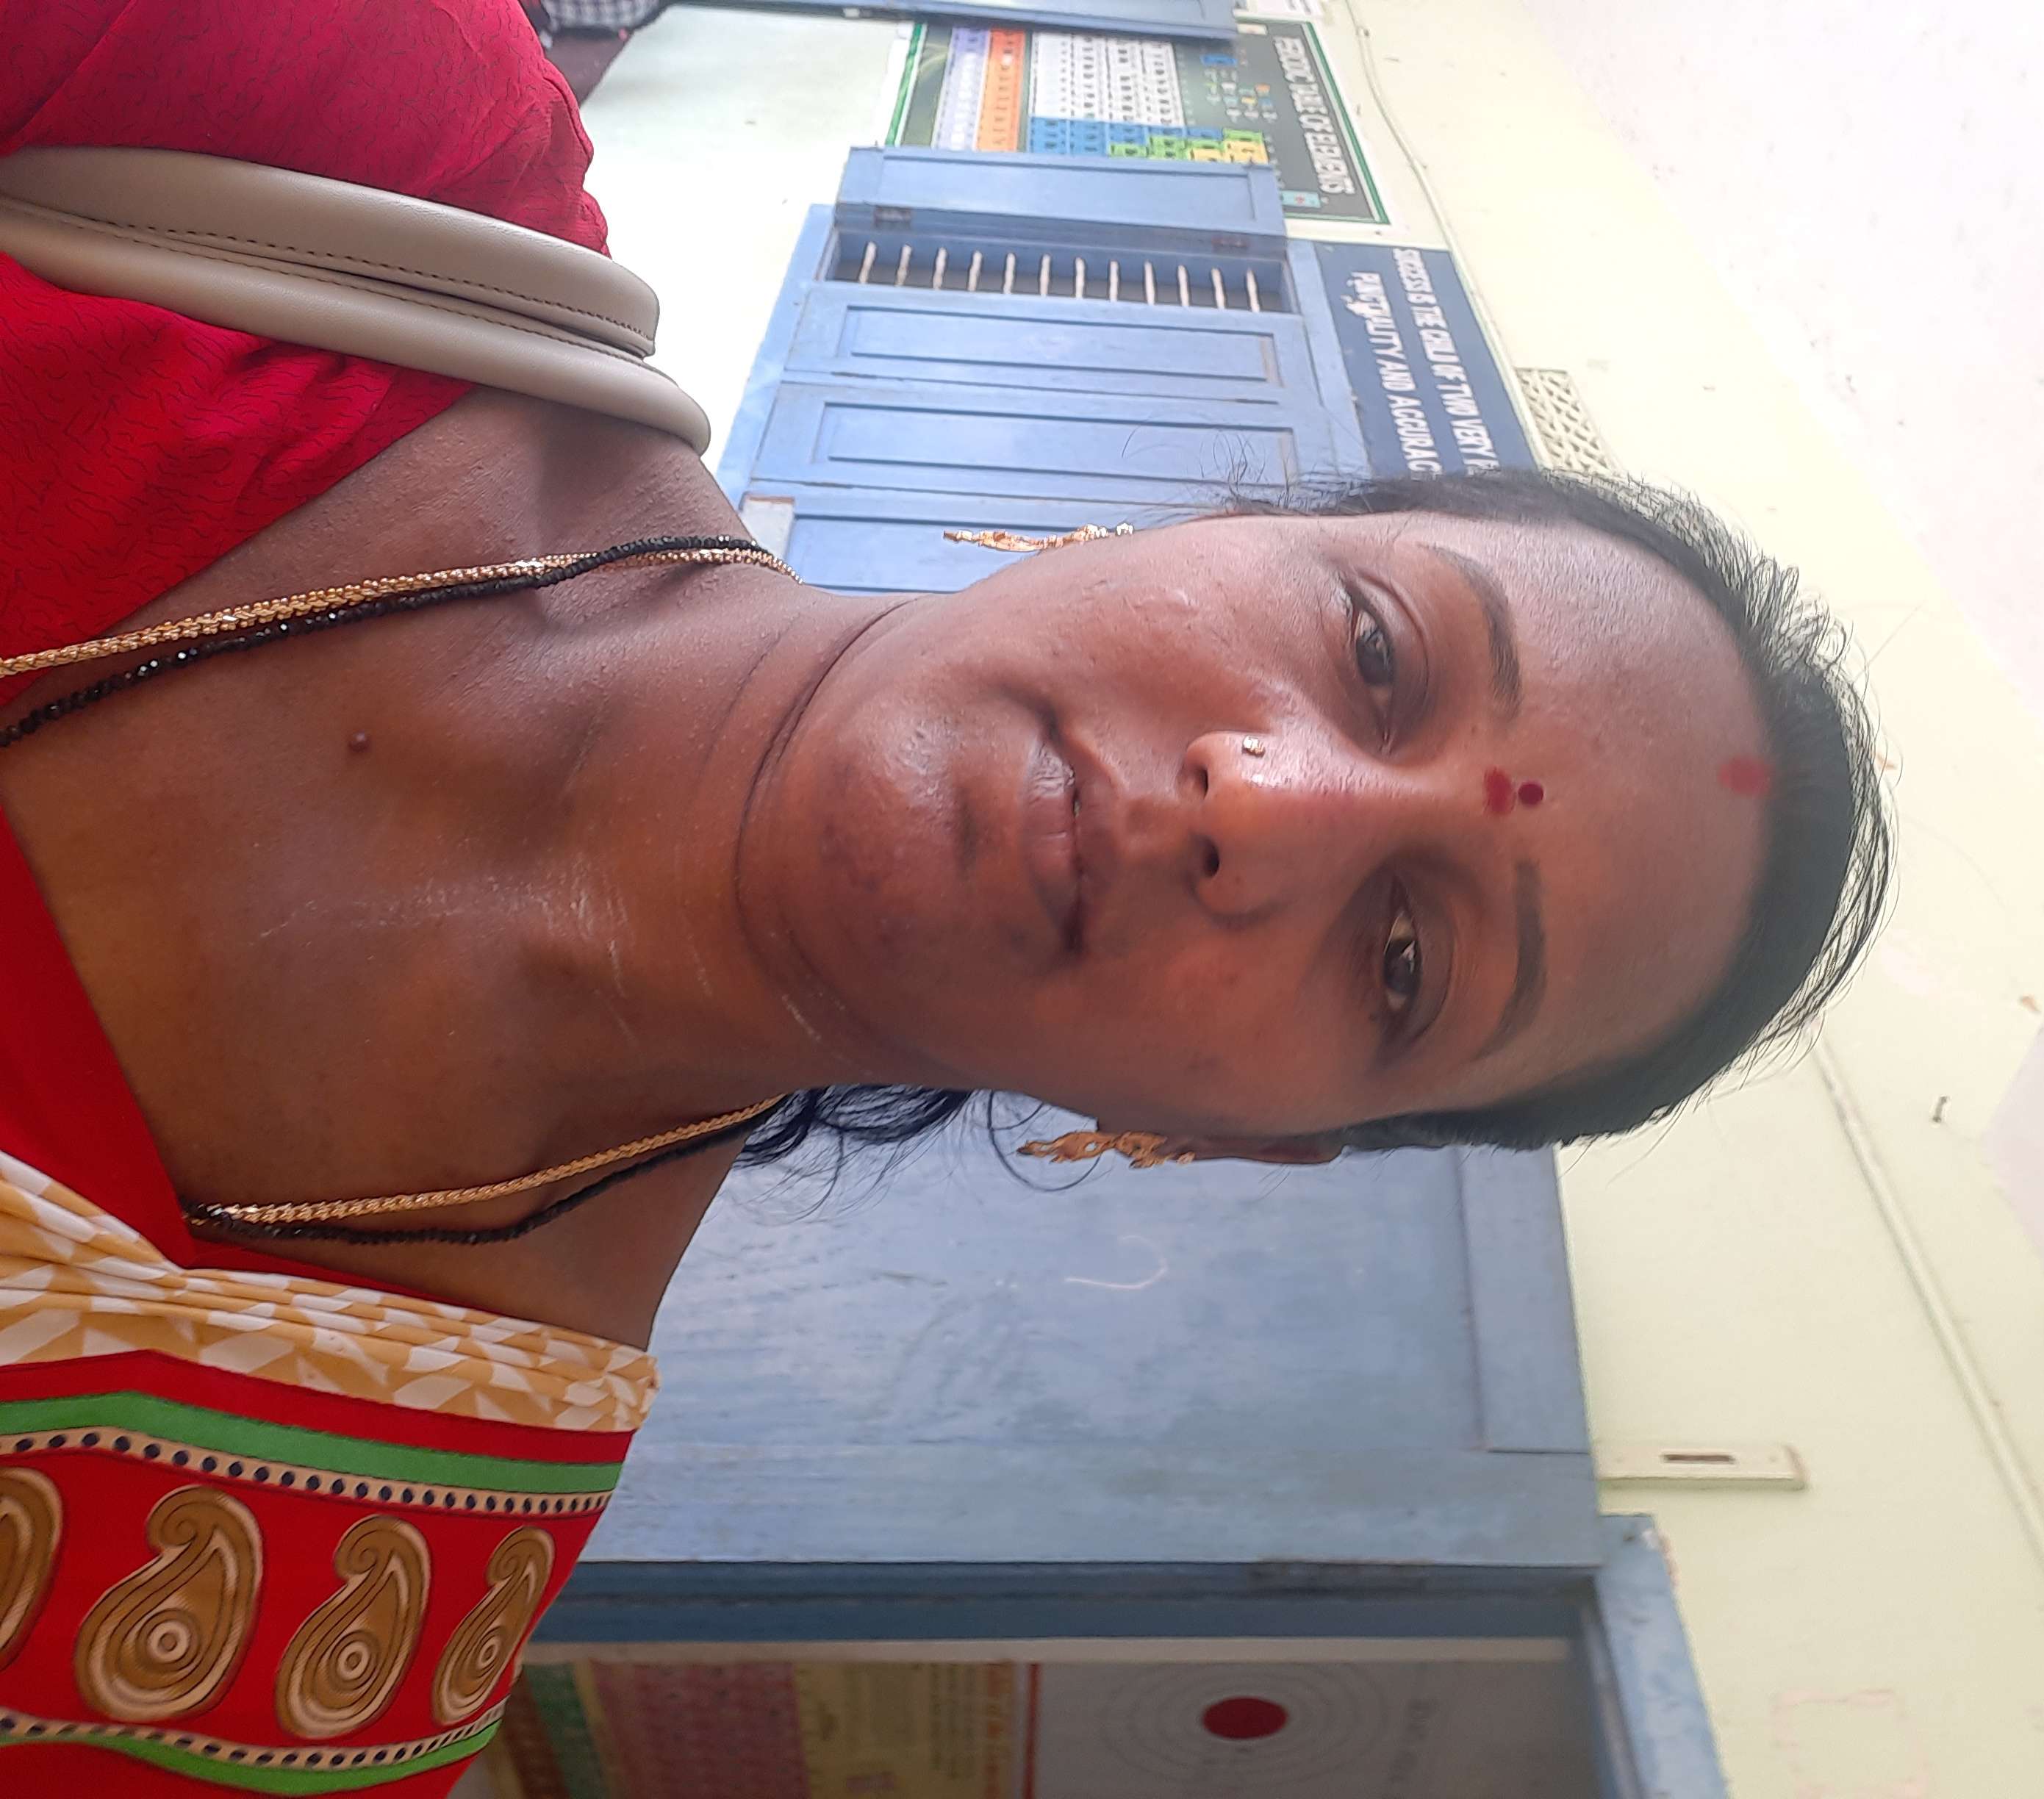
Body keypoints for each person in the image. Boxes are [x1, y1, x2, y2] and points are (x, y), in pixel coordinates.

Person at [0, 1, 1888, 1791]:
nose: (1264, 806)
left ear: (1237, 1142)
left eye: (1404, 959)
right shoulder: (346, 124)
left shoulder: (304, 1612)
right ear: (1213, 521)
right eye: (1376, 653)